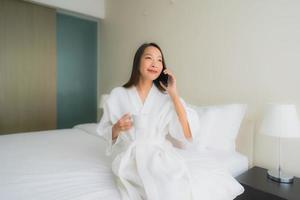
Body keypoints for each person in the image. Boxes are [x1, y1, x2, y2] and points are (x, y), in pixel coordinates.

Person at [97, 42, 244, 200]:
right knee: (150, 186)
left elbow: (187, 133)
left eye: (159, 60)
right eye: (149, 58)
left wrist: (173, 94)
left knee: (173, 184)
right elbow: (104, 131)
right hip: (130, 158)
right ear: (137, 62)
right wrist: (117, 128)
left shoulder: (166, 98)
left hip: (159, 157)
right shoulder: (118, 94)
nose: (155, 63)